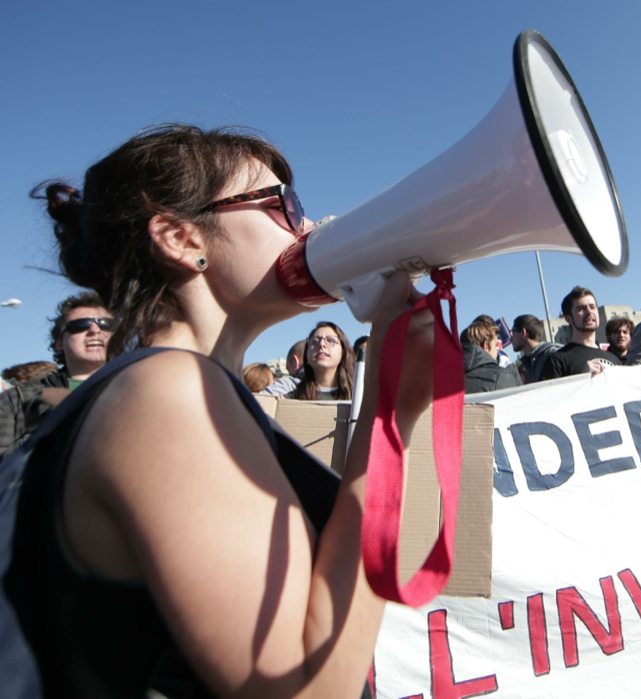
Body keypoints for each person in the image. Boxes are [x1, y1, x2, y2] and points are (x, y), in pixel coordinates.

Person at [6, 125, 434, 697]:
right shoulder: (167, 393)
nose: (308, 226)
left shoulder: (171, 390)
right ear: (180, 239)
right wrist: (391, 414)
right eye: (284, 204)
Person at [0, 292, 113, 460]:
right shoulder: (18, 398)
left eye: (105, 324)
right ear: (59, 343)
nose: (95, 330)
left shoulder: (140, 390)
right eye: (80, 325)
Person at [539, 286, 621, 380]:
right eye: (581, 309)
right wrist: (582, 379)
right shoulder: (556, 361)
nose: (589, 312)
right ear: (568, 319)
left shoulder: (614, 359)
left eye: (592, 307)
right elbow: (550, 394)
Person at [288, 322, 356, 401]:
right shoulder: (292, 399)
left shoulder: (359, 397)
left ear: (343, 352)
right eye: (314, 341)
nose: (321, 344)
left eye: (330, 340)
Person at [461, 318, 521, 393]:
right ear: (486, 345)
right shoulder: (501, 377)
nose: (497, 351)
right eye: (495, 345)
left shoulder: (445, 378)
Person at [510, 314, 561, 383]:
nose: (510, 338)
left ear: (523, 333)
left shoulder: (553, 355)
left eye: (512, 332)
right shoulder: (528, 364)